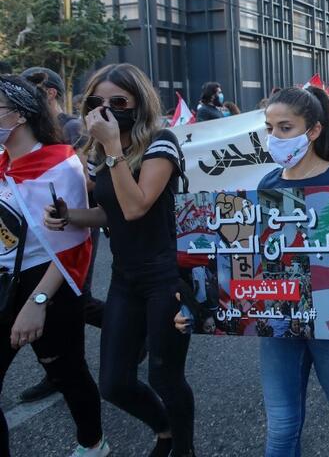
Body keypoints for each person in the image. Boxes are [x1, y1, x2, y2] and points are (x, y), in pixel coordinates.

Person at [188, 86, 329, 456]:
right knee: (281, 426)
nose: (274, 137)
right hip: (280, 319)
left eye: (285, 128)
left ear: (313, 131)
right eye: (269, 127)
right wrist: (199, 307)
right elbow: (251, 259)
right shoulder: (268, 184)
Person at [44, 64, 195, 457]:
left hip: (165, 278)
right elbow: (109, 212)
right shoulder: (103, 155)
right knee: (113, 383)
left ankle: (184, 449)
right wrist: (69, 215)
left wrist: (112, 149)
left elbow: (135, 207)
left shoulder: (161, 143)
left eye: (118, 102)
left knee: (166, 376)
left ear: (138, 102)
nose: (106, 109)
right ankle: (164, 429)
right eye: (97, 102)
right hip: (125, 279)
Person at [0, 75, 109, 457]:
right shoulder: (1, 164)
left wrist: (37, 302)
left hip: (48, 282)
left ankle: (93, 444)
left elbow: (73, 246)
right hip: (4, 281)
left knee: (67, 373)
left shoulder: (60, 166)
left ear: (20, 114)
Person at [18, 69, 106, 404]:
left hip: (77, 222)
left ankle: (131, 333)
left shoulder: (71, 128)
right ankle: (58, 371)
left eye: (34, 90)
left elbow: (89, 181)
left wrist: (60, 173)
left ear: (51, 93)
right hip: (41, 230)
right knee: (62, 303)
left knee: (74, 299)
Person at [22, 67, 83, 147]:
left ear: (50, 93)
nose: (22, 98)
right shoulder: (31, 128)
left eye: (28, 91)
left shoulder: (73, 127)